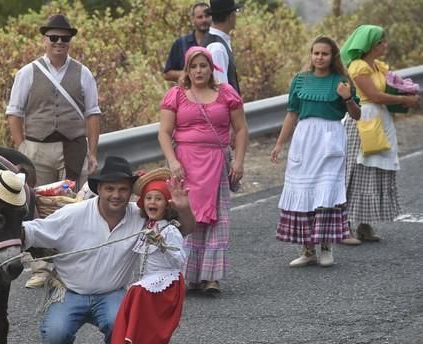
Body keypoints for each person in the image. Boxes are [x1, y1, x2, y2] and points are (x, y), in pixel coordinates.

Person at [21, 156, 195, 344]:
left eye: (123, 189)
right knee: (55, 332)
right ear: (99, 190)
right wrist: (3, 235)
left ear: (130, 193)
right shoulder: (73, 213)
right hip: (70, 290)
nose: (116, 195)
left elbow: (181, 230)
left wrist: (183, 208)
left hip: (113, 292)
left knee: (123, 328)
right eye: (110, 188)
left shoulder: (142, 215)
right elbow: (34, 230)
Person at [6, 14, 101, 290]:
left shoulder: (83, 72)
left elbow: (92, 113)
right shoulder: (27, 72)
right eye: (54, 38)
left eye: (65, 38)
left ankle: (71, 265)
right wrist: (21, 146)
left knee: (73, 205)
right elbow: (15, 112)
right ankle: (41, 265)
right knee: (37, 206)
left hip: (73, 145)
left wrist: (92, 152)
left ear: (70, 41)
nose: (59, 43)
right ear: (44, 40)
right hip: (37, 146)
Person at [159, 46, 248, 294]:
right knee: (187, 217)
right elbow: (164, 132)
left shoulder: (227, 93)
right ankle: (188, 275)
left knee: (217, 219)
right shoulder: (175, 95)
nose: (199, 71)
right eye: (194, 66)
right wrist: (173, 161)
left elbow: (241, 129)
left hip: (217, 161)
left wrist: (238, 161)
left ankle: (211, 277)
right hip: (186, 163)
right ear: (187, 70)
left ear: (212, 68)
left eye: (203, 65)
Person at [270, 36, 361, 267]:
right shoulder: (300, 80)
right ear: (311, 55)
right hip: (305, 138)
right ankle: (307, 250)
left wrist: (347, 98)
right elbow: (292, 113)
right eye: (316, 53)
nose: (319, 57)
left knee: (326, 191)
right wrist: (280, 143)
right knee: (304, 191)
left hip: (330, 138)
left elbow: (356, 114)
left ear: (333, 57)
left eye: (325, 54)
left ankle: (326, 246)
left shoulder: (341, 80)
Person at [108, 168, 186, 344]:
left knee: (150, 338)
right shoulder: (146, 228)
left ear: (166, 204)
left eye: (158, 198)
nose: (153, 202)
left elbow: (180, 261)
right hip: (145, 290)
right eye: (149, 198)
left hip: (162, 290)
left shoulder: (170, 230)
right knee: (141, 337)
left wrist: (163, 245)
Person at [339, 25, 419, 243]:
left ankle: (365, 223)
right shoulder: (358, 67)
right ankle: (343, 224)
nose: (385, 45)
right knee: (356, 171)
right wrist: (404, 99)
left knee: (373, 170)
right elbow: (374, 95)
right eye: (380, 42)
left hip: (379, 120)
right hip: (364, 121)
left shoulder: (377, 66)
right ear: (369, 45)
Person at [163, 2, 212, 83]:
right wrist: (186, 73)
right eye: (200, 17)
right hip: (187, 92)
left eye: (207, 16)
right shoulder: (181, 43)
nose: (204, 20)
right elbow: (167, 74)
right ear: (193, 19)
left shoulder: (218, 43)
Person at [202, 0, 242, 94]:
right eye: (235, 12)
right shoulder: (217, 48)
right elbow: (221, 92)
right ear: (230, 17)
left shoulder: (217, 41)